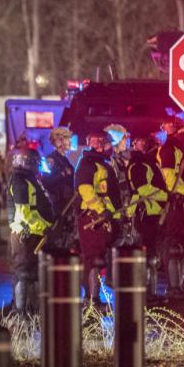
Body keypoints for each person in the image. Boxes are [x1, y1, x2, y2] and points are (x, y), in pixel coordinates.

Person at [75, 131, 121, 308]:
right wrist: (101, 211)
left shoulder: (102, 164)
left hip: (103, 219)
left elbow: (111, 195)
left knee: (99, 258)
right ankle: (92, 300)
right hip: (93, 219)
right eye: (108, 144)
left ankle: (94, 298)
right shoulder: (88, 164)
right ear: (100, 144)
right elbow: (85, 190)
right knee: (93, 259)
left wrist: (116, 217)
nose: (111, 147)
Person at [8, 148, 54, 315]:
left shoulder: (30, 179)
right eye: (36, 163)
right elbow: (24, 213)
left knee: (33, 273)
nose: (38, 166)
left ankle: (31, 309)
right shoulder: (20, 180)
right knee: (23, 272)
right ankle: (20, 312)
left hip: (34, 233)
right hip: (25, 235)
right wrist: (44, 227)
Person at [156, 115, 184, 295]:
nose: (182, 133)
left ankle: (179, 286)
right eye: (179, 129)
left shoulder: (180, 147)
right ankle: (173, 287)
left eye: (183, 129)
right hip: (176, 201)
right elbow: (169, 177)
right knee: (173, 245)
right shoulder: (169, 149)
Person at [125, 132, 168, 301]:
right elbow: (144, 189)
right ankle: (142, 292)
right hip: (144, 214)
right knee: (144, 255)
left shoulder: (148, 163)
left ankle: (149, 292)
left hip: (152, 213)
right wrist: (164, 195)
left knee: (151, 255)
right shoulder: (138, 165)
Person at [42, 127, 76, 251]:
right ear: (59, 141)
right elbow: (45, 181)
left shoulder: (64, 159)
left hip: (66, 203)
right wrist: (62, 174)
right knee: (57, 235)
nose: (70, 143)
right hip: (57, 205)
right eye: (68, 139)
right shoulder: (50, 160)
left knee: (66, 233)